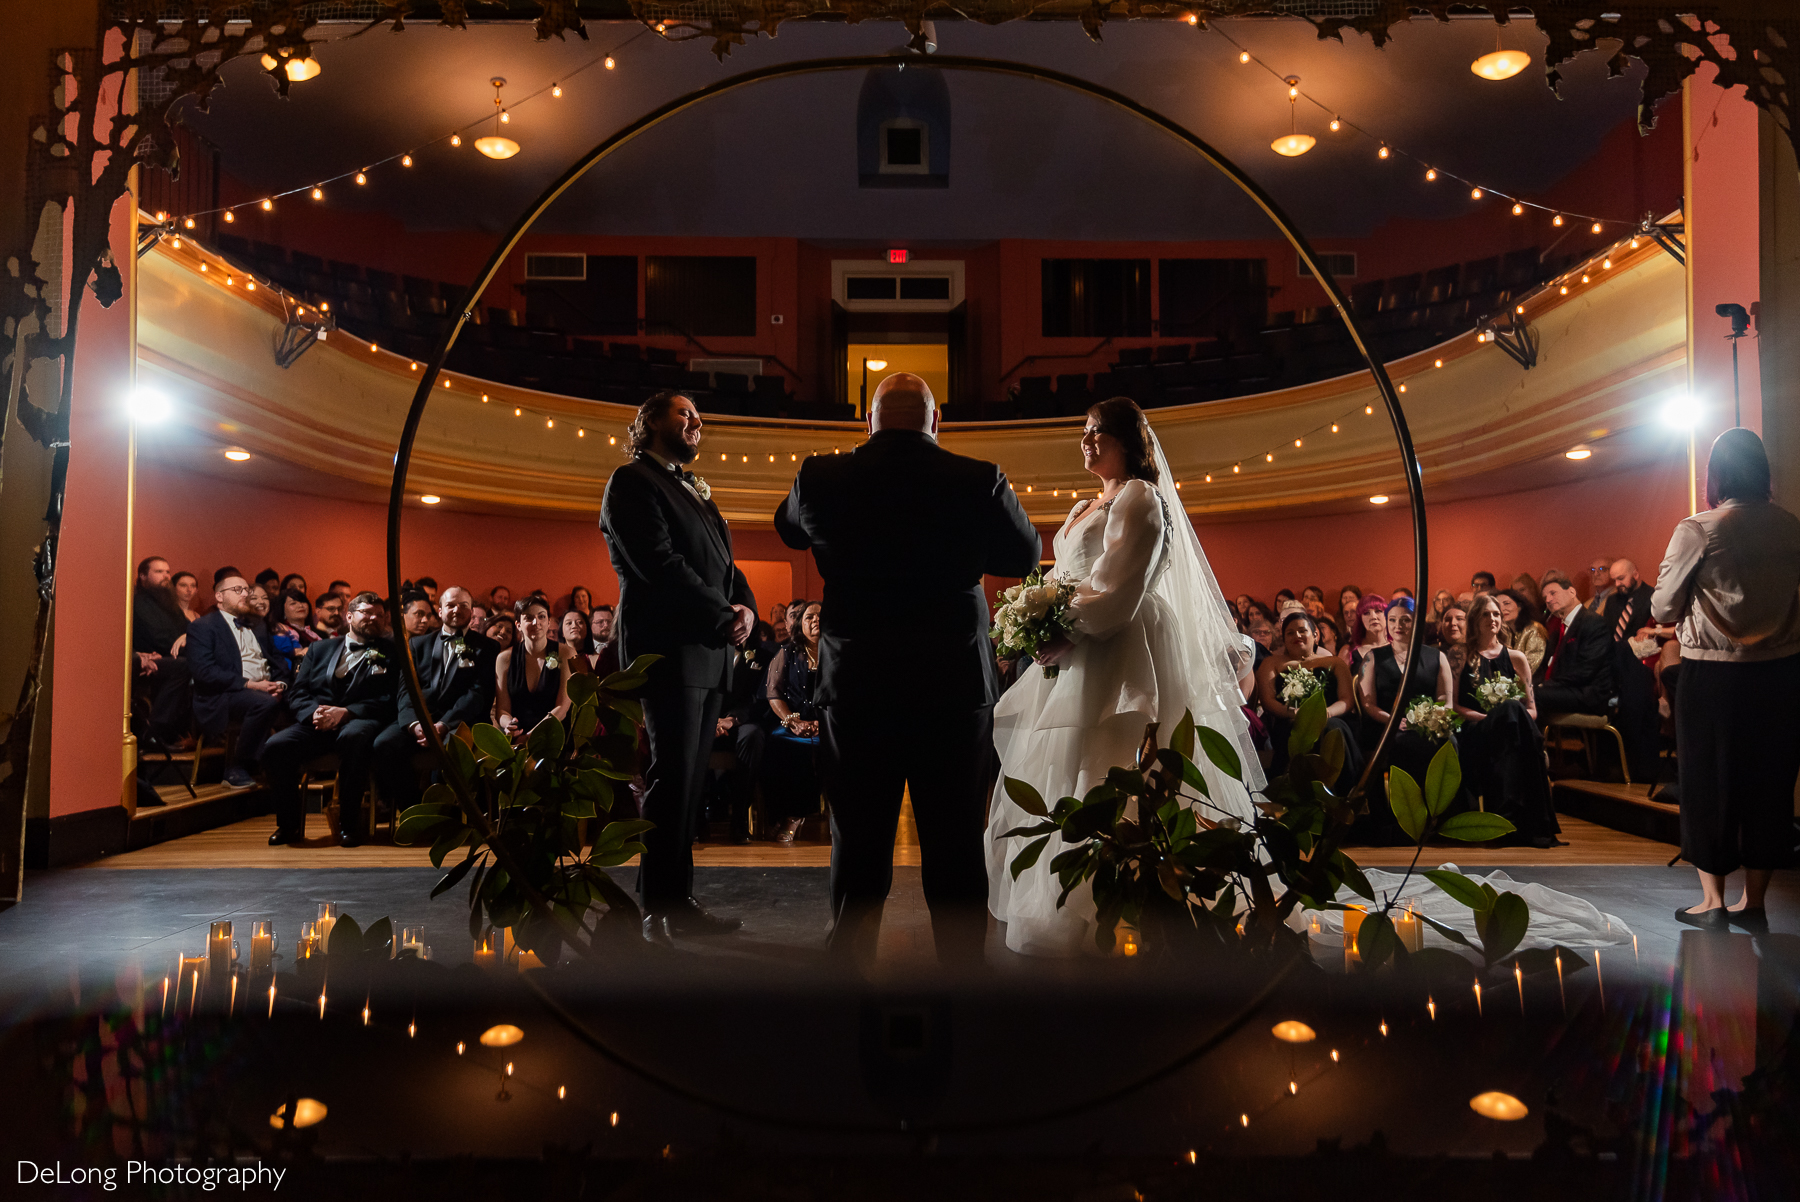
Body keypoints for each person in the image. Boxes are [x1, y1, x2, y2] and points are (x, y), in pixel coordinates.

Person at [978, 395, 1258, 958]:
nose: (1086, 442)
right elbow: (1069, 575)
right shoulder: (1085, 503)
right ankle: (1073, 892)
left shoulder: (1140, 497)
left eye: (1097, 432)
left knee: (1114, 756)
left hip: (1123, 644)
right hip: (1079, 647)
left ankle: (1134, 896)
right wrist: (1039, 622)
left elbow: (1120, 587)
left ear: (1128, 440)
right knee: (1069, 763)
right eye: (1083, 431)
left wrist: (1065, 626)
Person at [778, 372, 1041, 962]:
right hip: (950, 683)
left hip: (858, 683)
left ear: (866, 422)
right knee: (953, 834)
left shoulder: (822, 476)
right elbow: (1024, 555)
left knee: (858, 830)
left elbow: (788, 529)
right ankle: (960, 962)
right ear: (935, 420)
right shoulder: (977, 479)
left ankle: (849, 951)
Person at [601, 390, 758, 945]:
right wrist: (722, 614)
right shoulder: (632, 482)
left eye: (699, 416)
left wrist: (746, 609)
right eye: (683, 414)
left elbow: (727, 568)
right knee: (670, 782)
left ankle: (678, 898)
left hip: (710, 654)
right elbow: (658, 565)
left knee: (689, 787)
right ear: (648, 424)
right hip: (669, 651)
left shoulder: (693, 490)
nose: (696, 422)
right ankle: (658, 906)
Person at [1652, 429, 1800, 933]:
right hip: (1781, 673)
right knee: (1771, 785)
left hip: (1713, 674)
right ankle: (1753, 901)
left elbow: (1663, 606)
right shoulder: (1790, 526)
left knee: (1707, 782)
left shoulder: (1699, 527)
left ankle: (1712, 900)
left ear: (1715, 473)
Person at [260, 591, 399, 847]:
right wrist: (314, 713)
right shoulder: (319, 648)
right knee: (276, 746)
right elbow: (298, 691)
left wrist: (347, 713)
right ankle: (288, 826)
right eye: (366, 612)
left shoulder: (393, 652)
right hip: (317, 721)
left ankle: (348, 825)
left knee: (353, 737)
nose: (373, 618)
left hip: (360, 720)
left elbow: (390, 698)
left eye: (379, 615)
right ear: (349, 616)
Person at [377, 586, 499, 812]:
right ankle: (413, 811)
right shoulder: (416, 644)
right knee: (384, 744)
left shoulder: (487, 647)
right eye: (451, 605)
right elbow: (405, 690)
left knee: (453, 747)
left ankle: (445, 815)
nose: (457, 610)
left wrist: (443, 725)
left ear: (472, 613)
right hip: (420, 719)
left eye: (463, 605)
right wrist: (415, 725)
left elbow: (478, 693)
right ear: (440, 612)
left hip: (460, 721)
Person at [1453, 594, 1560, 847]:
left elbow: (1531, 709)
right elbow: (1454, 705)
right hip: (1476, 730)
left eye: (1497, 614)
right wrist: (1493, 717)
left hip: (1510, 734)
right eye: (1486, 614)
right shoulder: (1460, 655)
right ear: (1474, 620)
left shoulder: (1516, 658)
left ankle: (1511, 822)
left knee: (1512, 716)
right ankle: (1513, 821)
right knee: (1511, 714)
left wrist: (1506, 716)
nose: (1493, 619)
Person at [1359, 597, 1455, 841]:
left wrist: (1431, 718)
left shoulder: (1437, 657)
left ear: (1417, 623)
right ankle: (1405, 820)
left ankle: (1440, 820)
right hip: (1387, 724)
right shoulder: (1373, 657)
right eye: (1392, 620)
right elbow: (1368, 703)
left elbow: (1445, 698)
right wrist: (1394, 720)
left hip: (1427, 725)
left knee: (1449, 744)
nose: (1397, 625)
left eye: (1405, 620)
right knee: (1402, 742)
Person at [187, 574, 290, 789]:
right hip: (225, 694)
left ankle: (296, 767)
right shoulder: (204, 627)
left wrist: (281, 685)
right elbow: (204, 672)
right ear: (219, 597)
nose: (245, 594)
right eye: (238, 590)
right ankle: (237, 766)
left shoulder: (257, 624)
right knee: (264, 703)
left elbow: (277, 661)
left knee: (309, 698)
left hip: (266, 689)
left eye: (247, 590)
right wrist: (250, 685)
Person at [1257, 609, 1362, 791]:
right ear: (1284, 638)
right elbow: (1268, 700)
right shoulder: (1272, 663)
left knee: (1333, 729)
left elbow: (1346, 700)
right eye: (1290, 633)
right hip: (1290, 720)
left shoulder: (1335, 662)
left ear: (1315, 635)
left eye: (1302, 631)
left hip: (1332, 718)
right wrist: (1295, 713)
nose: (1296, 635)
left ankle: (1342, 793)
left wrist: (1324, 713)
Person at [763, 600, 824, 844]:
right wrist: (793, 721)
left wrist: (822, 722)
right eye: (809, 617)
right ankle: (779, 814)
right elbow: (773, 693)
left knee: (814, 749)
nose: (815, 620)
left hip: (826, 725)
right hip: (793, 721)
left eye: (820, 616)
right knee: (778, 744)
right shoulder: (787, 652)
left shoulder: (834, 653)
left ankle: (796, 816)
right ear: (800, 624)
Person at [1602, 558, 1660, 783]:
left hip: (1642, 660)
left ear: (1635, 574)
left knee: (1636, 697)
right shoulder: (1613, 601)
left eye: (1621, 578)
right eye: (1614, 580)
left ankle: (1640, 767)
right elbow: (1608, 633)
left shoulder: (1653, 597)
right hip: (1614, 659)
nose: (1617, 584)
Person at [131, 556, 194, 749]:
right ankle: (155, 730)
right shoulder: (139, 601)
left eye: (167, 572)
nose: (166, 576)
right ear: (143, 576)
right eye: (159, 572)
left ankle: (190, 732)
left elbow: (189, 629)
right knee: (185, 666)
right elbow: (159, 636)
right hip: (143, 660)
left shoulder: (168, 603)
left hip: (168, 656)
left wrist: (189, 639)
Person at [1535, 570, 1613, 718]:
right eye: (1545, 597)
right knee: (1523, 695)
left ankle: (1531, 741)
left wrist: (1545, 685)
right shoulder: (1559, 630)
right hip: (1569, 688)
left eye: (1553, 593)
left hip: (1588, 693)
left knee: (1533, 696)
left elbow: (1585, 671)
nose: (1548, 600)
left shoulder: (1593, 622)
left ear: (1571, 591)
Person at [495, 597, 575, 741]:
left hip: (554, 733)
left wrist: (531, 737)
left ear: (548, 622)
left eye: (541, 617)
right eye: (529, 618)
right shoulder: (504, 658)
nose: (536, 623)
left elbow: (563, 707)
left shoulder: (565, 653)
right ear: (518, 624)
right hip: (518, 735)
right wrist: (509, 725)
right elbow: (502, 709)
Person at [1496, 589, 1548, 677]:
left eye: (1507, 603)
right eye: (1497, 606)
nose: (1502, 609)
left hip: (1530, 685)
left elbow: (1529, 667)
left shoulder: (1534, 629)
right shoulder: (1502, 632)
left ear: (1519, 607)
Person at [267, 588, 321, 674]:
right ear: (282, 610)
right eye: (293, 603)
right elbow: (295, 655)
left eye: (302, 601)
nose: (300, 605)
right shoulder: (283, 632)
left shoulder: (313, 632)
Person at [1342, 592, 1390, 673]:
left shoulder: (1400, 648)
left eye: (1378, 611)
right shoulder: (1349, 652)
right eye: (1366, 613)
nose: (1373, 617)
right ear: (1360, 619)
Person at [1437, 602, 1469, 678]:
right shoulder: (1434, 654)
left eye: (1459, 619)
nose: (1453, 623)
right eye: (1447, 620)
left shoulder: (1479, 653)